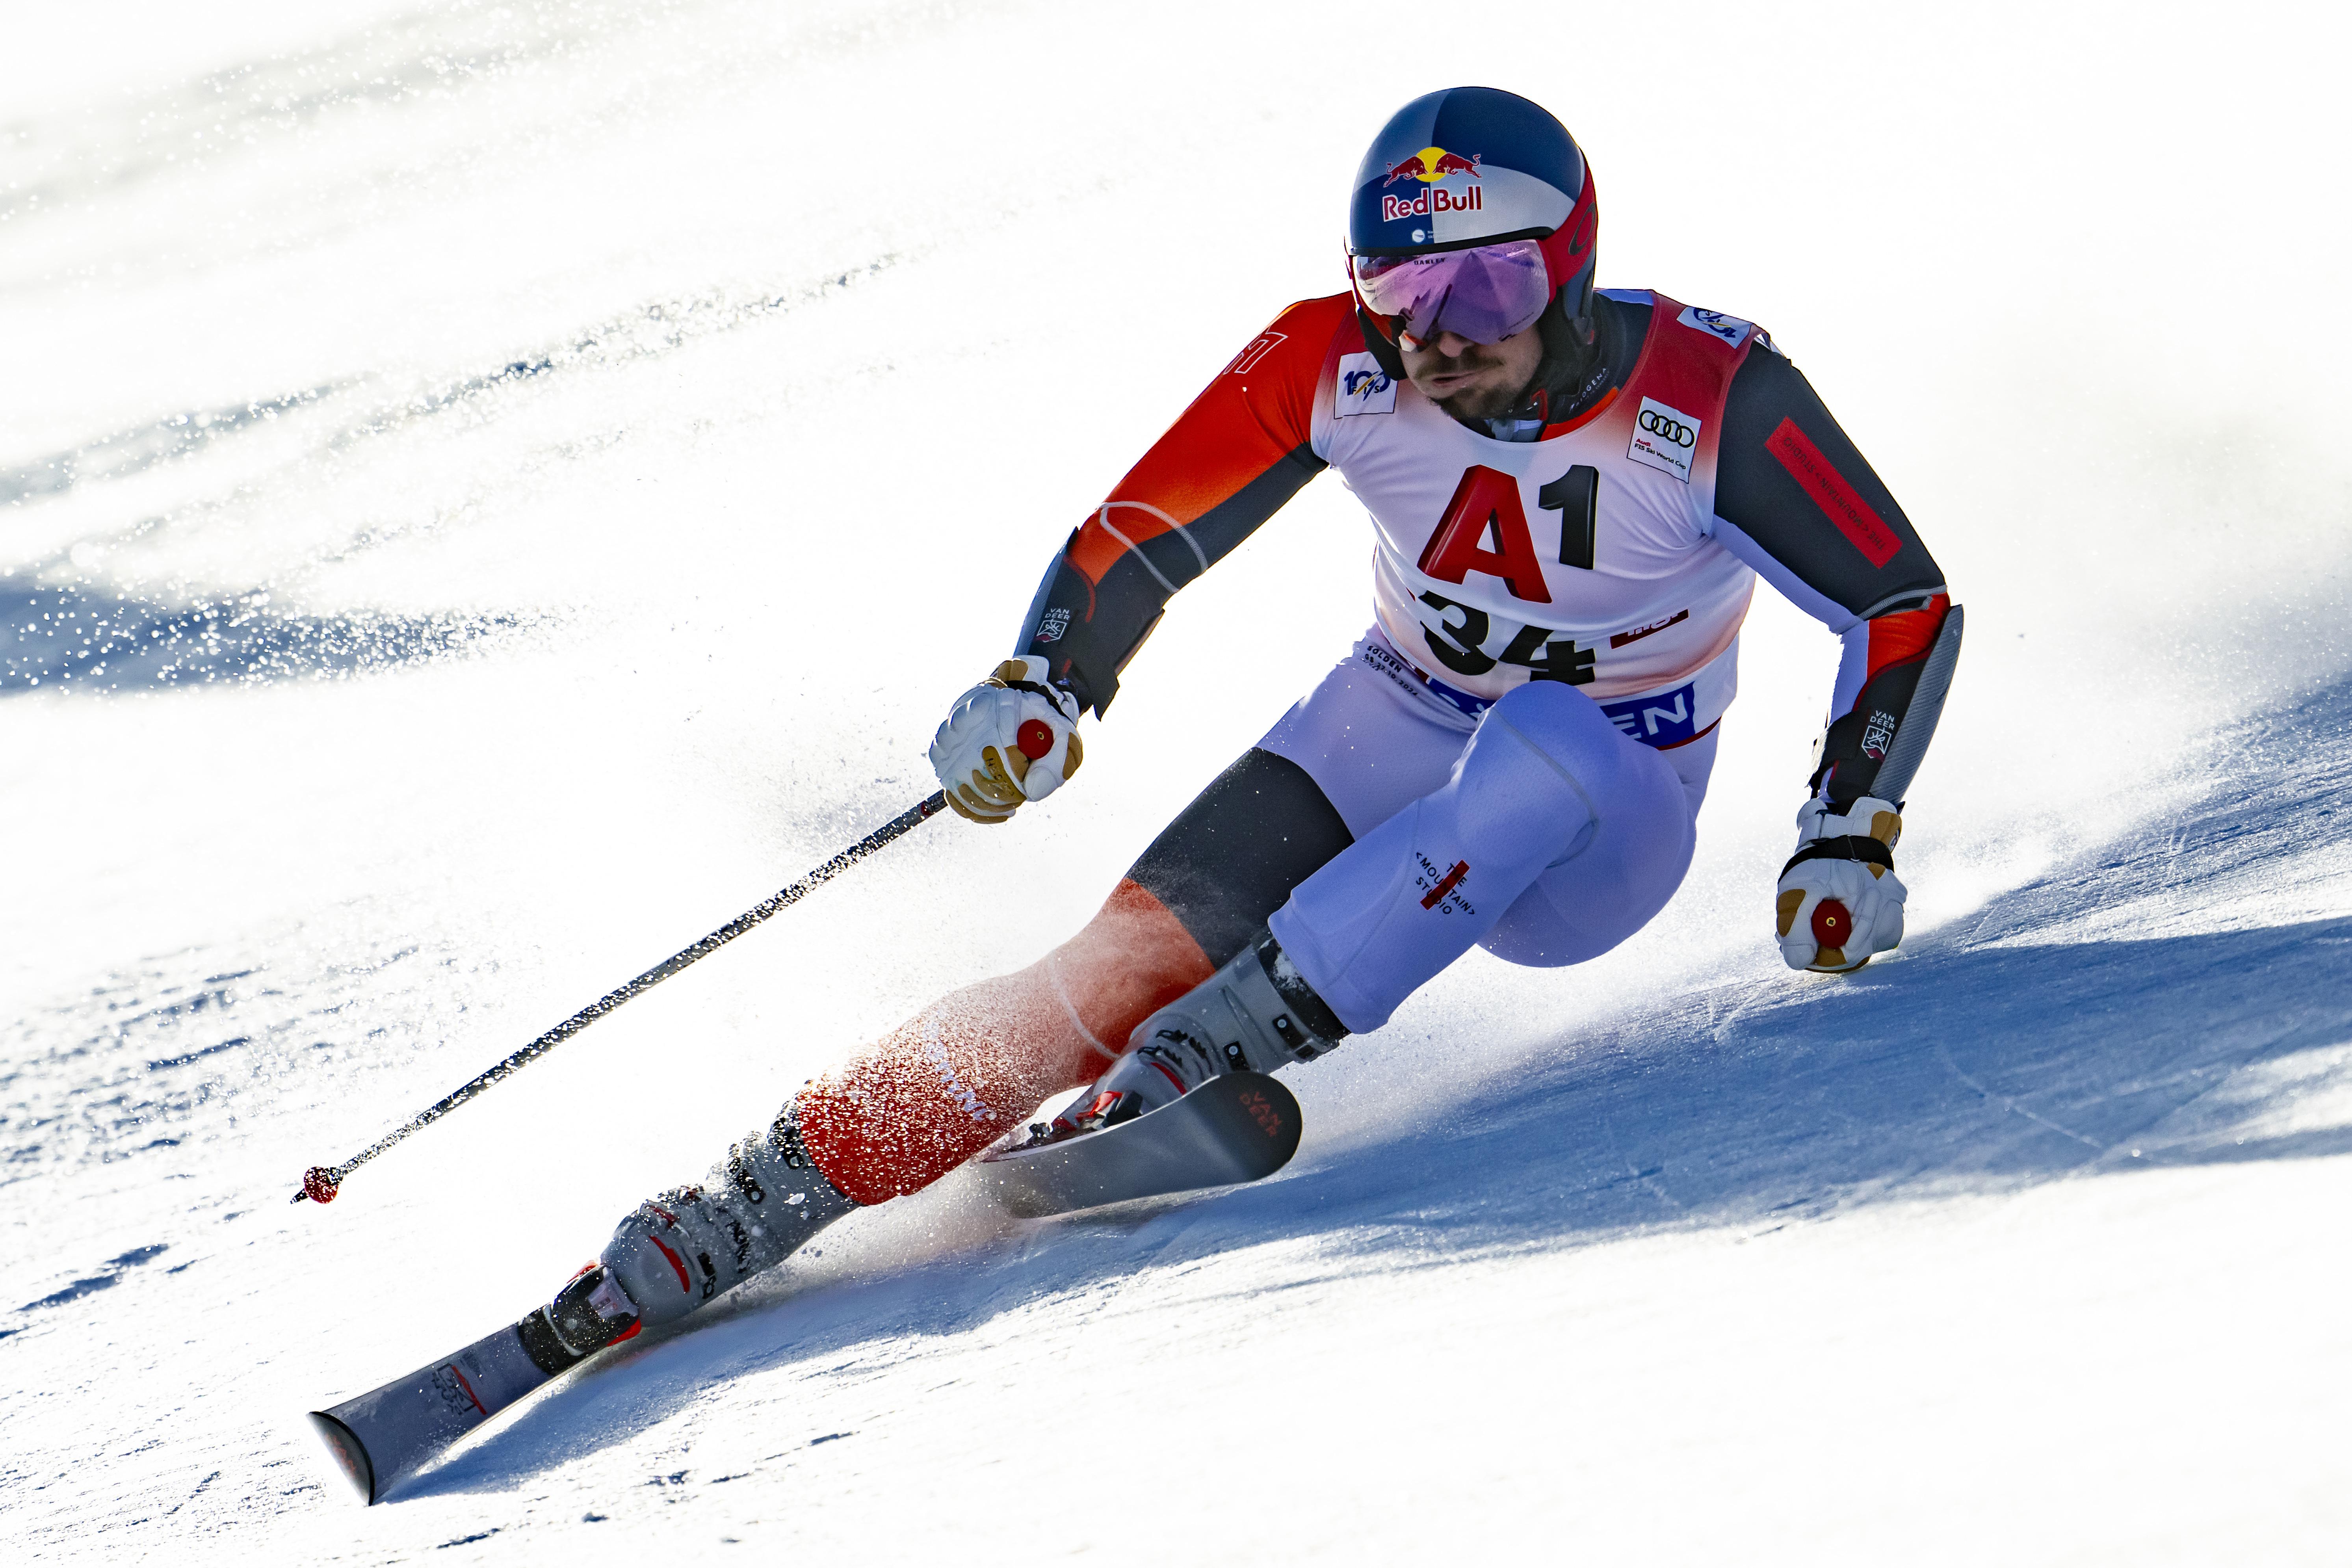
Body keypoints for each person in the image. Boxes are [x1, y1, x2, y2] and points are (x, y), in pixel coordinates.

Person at [522, 86, 1963, 1364]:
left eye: (1485, 285)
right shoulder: (1330, 360)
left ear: (1570, 266)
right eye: (1395, 286)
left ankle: (1221, 1040)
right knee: (1105, 971)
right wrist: (1044, 681)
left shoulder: (1708, 396)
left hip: (1602, 819)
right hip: (1398, 714)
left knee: (1545, 737)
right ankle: (745, 1203)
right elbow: (1140, 534)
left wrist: (1846, 826)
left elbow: (1899, 601)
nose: (1433, 333)